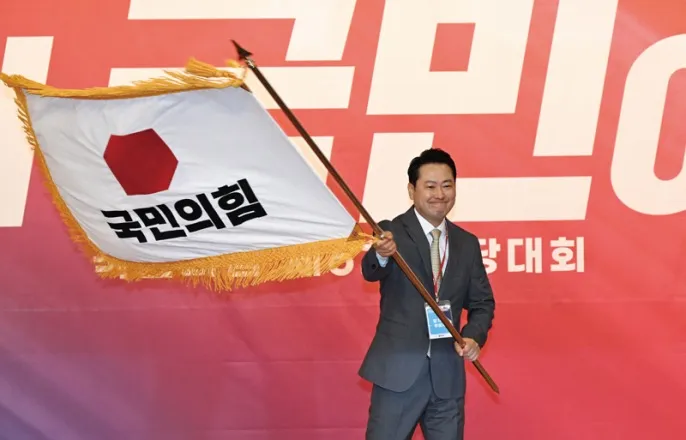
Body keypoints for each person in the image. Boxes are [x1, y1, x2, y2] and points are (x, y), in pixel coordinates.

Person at [359, 148, 496, 440]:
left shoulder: (466, 243)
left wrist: (473, 336)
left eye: (447, 185)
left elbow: (482, 302)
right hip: (398, 375)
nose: (440, 194)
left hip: (447, 377)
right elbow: (370, 271)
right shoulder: (390, 232)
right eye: (430, 186)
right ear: (412, 190)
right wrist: (381, 253)